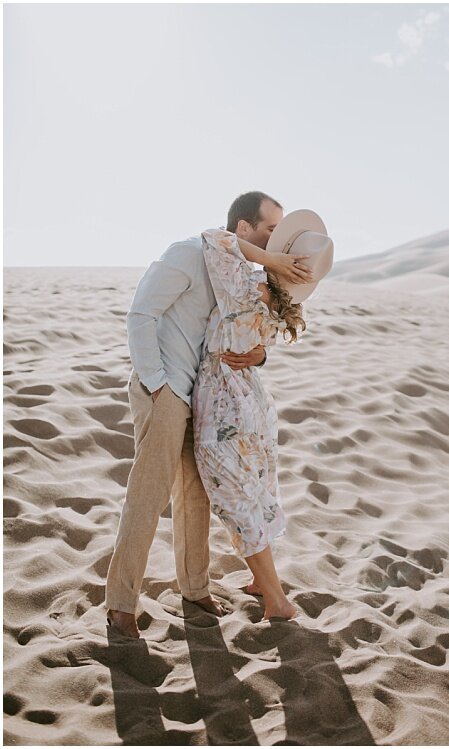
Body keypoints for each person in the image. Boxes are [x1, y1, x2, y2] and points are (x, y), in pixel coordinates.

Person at [105, 191, 312, 639]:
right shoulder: (190, 252)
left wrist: (257, 357)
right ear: (243, 228)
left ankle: (194, 588)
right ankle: (121, 605)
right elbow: (140, 314)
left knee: (195, 496)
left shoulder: (237, 274)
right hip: (165, 389)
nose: (277, 242)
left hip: (203, 400)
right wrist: (156, 382)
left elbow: (236, 336)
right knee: (149, 494)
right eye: (272, 230)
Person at [193, 209, 334, 622]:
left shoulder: (243, 286)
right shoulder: (282, 303)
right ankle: (261, 583)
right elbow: (259, 347)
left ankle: (278, 602)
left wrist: (268, 259)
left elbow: (212, 236)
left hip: (224, 406)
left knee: (236, 500)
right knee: (256, 492)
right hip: (254, 405)